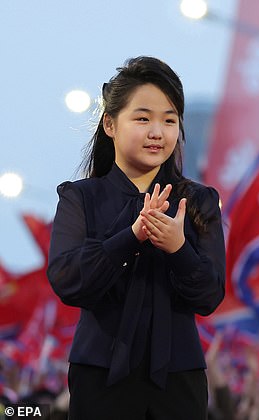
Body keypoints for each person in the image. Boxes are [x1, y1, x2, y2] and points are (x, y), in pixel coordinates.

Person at [47, 56, 226, 420]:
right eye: (142, 118)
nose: (157, 132)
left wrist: (178, 249)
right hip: (99, 374)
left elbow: (209, 295)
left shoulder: (199, 200)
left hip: (178, 379)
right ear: (110, 124)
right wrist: (131, 237)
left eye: (169, 120)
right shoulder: (80, 197)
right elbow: (67, 280)